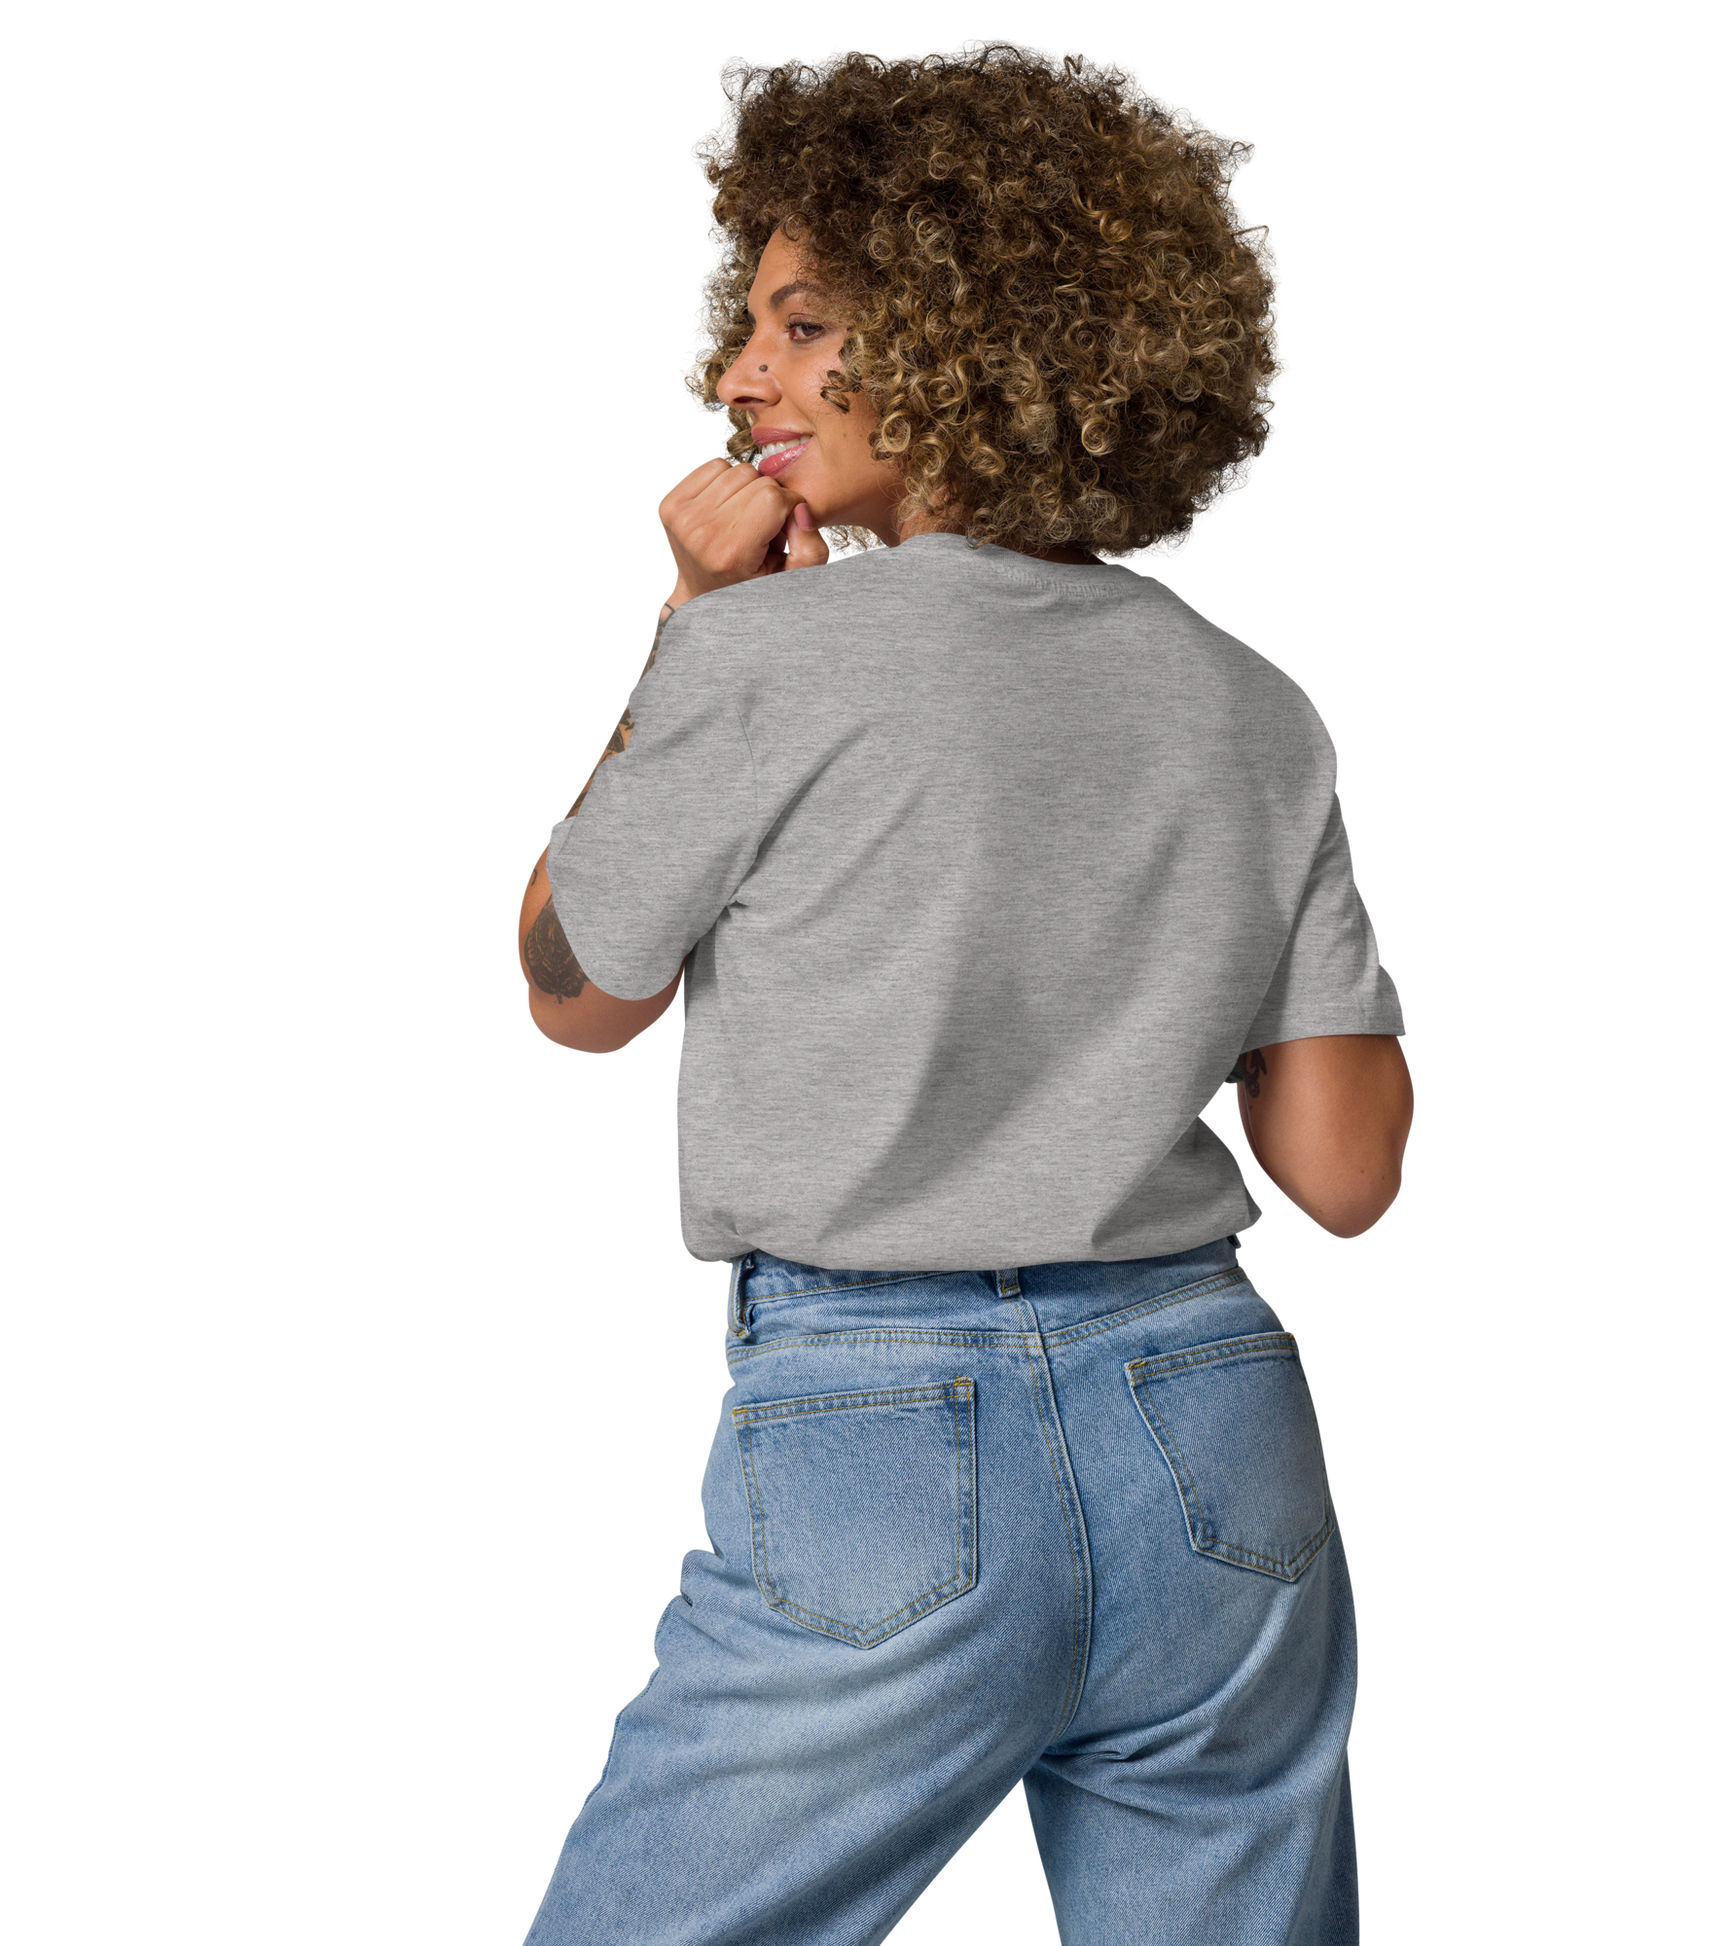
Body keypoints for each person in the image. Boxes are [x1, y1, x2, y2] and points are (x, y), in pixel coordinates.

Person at [513, 36, 1413, 1946]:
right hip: (1217, 1427)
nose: (737, 375)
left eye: (802, 326)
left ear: (972, 340)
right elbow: (1343, 1178)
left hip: (883, 1424)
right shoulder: (1254, 701)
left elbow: (577, 992)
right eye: (745, 327)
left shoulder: (760, 655)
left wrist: (688, 627)